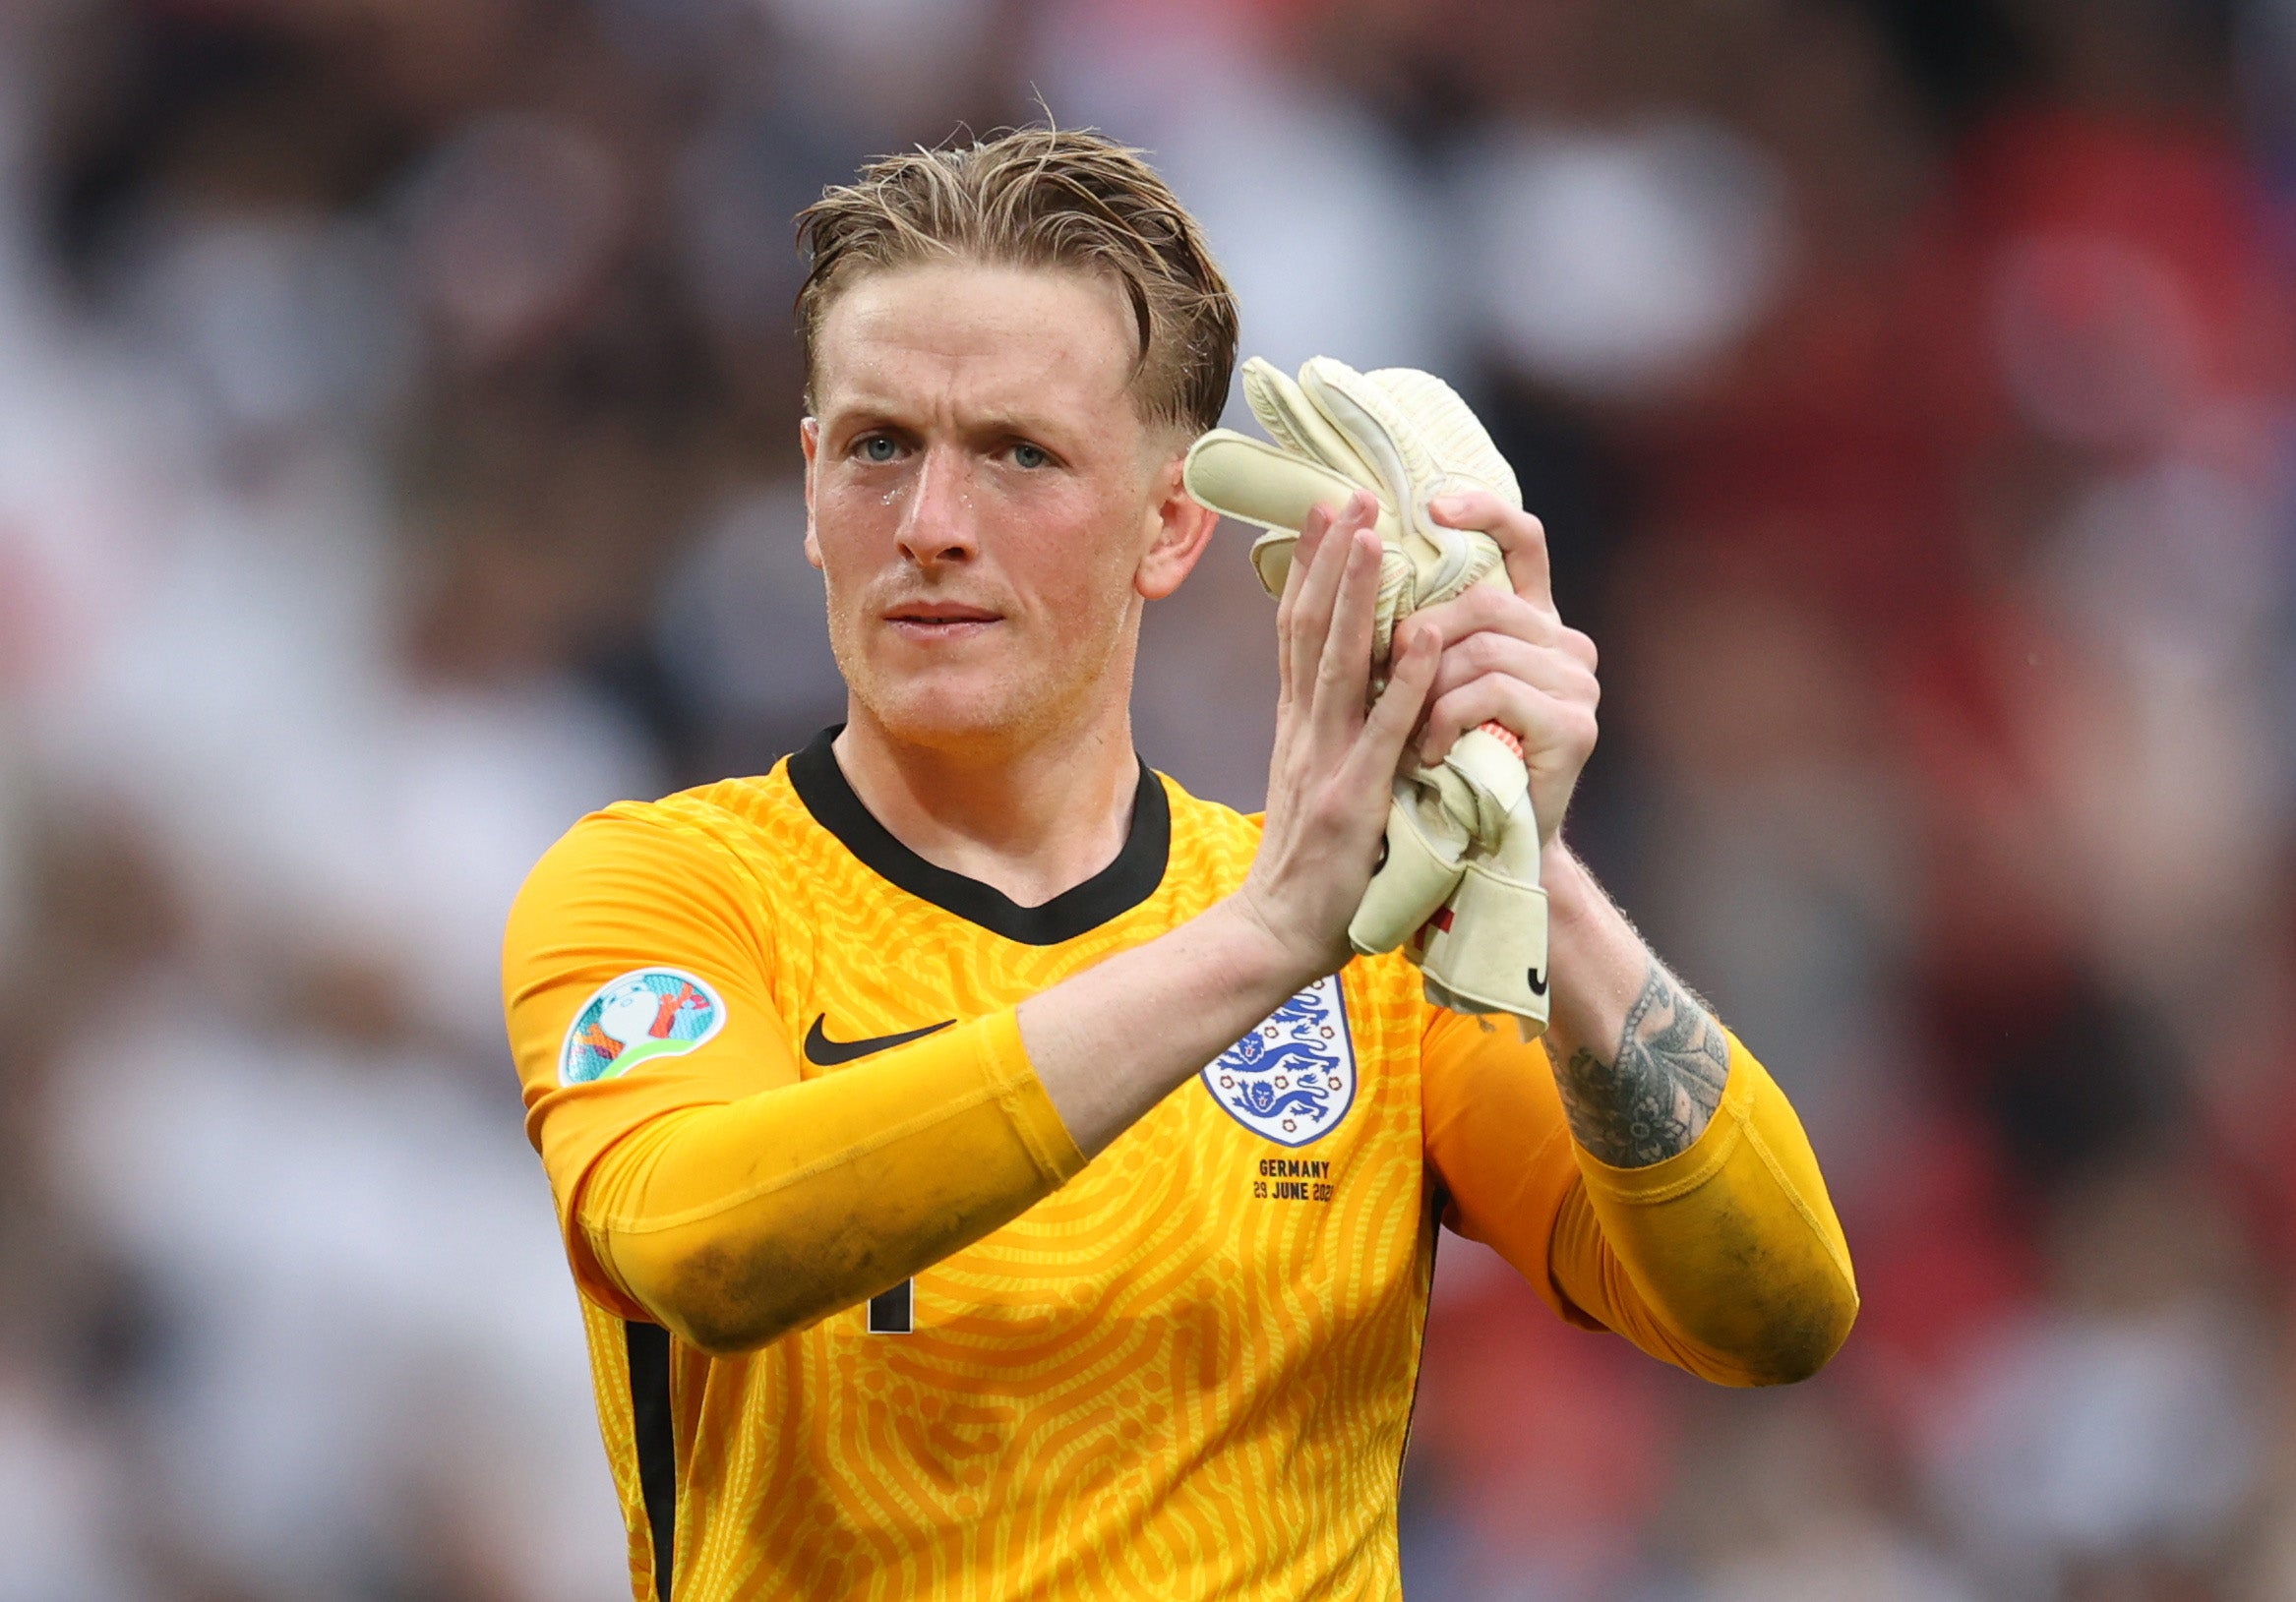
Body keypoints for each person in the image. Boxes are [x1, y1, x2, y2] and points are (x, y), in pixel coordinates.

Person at [502, 126, 1856, 1602]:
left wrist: (1525, 864)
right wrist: (1262, 942)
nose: (933, 526)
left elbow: (1773, 1310)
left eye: (1019, 455)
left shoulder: (1383, 948)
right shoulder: (665, 889)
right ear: (813, 484)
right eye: (882, 447)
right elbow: (697, 1242)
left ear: (1168, 526)